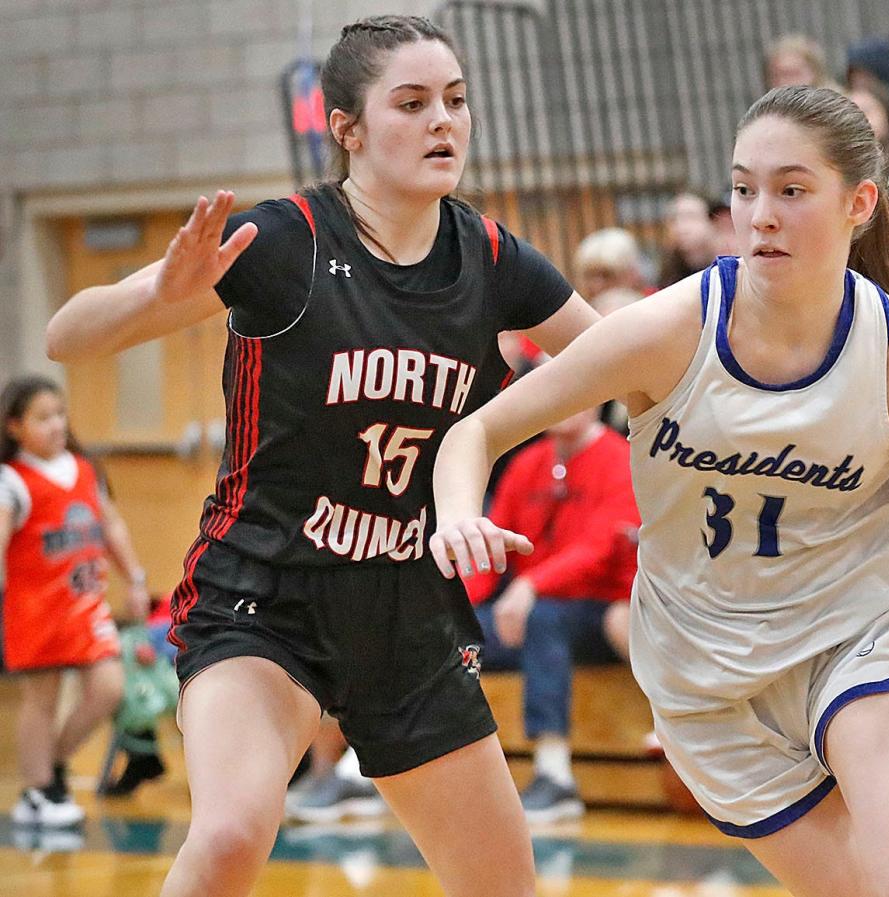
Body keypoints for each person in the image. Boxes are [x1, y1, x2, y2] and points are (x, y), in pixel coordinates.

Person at [428, 85, 889, 896]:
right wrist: (459, 513)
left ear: (858, 203)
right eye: (743, 189)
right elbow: (476, 431)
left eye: (791, 189)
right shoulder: (667, 329)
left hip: (855, 634)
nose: (760, 214)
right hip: (703, 678)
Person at [44, 15, 598, 897]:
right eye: (411, 104)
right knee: (229, 833)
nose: (442, 122)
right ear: (346, 128)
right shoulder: (289, 241)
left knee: (504, 886)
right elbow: (66, 337)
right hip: (264, 597)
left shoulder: (493, 259)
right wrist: (160, 290)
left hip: (407, 609)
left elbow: (614, 361)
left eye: (455, 101)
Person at [465, 403, 638, 823]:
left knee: (545, 618)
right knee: (447, 638)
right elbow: (492, 553)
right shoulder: (528, 463)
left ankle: (554, 774)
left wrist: (531, 585)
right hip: (524, 613)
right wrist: (451, 611)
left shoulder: (621, 458)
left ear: (599, 398)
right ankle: (368, 770)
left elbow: (599, 549)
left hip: (599, 610)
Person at [1, 376, 149, 826]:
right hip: (35, 609)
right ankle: (39, 791)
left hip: (86, 606)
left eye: (60, 414)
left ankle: (50, 769)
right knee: (40, 702)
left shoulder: (85, 468)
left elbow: (112, 526)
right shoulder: (12, 480)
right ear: (14, 428)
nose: (56, 424)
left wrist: (136, 579)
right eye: (43, 417)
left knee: (109, 687)